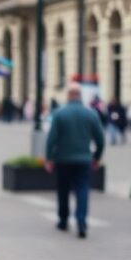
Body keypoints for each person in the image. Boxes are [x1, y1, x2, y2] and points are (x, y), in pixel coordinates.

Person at [45, 83, 105, 239]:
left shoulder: (59, 114)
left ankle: (63, 220)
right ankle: (81, 222)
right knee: (82, 190)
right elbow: (100, 139)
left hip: (63, 159)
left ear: (69, 95)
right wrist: (97, 157)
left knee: (63, 190)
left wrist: (49, 158)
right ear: (80, 95)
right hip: (84, 159)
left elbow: (51, 139)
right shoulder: (91, 114)